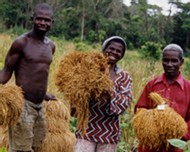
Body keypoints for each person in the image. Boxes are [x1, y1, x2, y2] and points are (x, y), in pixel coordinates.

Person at [0, 3, 56, 152]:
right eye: (39, 19)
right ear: (33, 19)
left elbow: (40, 73)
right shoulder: (21, 43)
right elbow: (6, 71)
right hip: (23, 104)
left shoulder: (51, 46)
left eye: (47, 20)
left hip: (40, 106)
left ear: (52, 22)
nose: (43, 23)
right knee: (20, 149)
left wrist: (44, 95)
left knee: (37, 146)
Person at [74, 36, 132, 152]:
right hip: (87, 128)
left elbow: (126, 101)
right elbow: (75, 92)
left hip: (109, 132)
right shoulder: (89, 69)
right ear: (104, 48)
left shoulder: (124, 76)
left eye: (118, 51)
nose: (114, 52)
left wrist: (109, 92)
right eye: (111, 48)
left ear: (122, 55)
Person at [135, 44, 190, 152]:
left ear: (181, 62)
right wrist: (151, 127)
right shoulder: (152, 85)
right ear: (162, 61)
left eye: (174, 61)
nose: (169, 64)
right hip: (150, 145)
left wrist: (179, 134)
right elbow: (139, 109)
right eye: (166, 60)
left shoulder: (188, 88)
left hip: (175, 145)